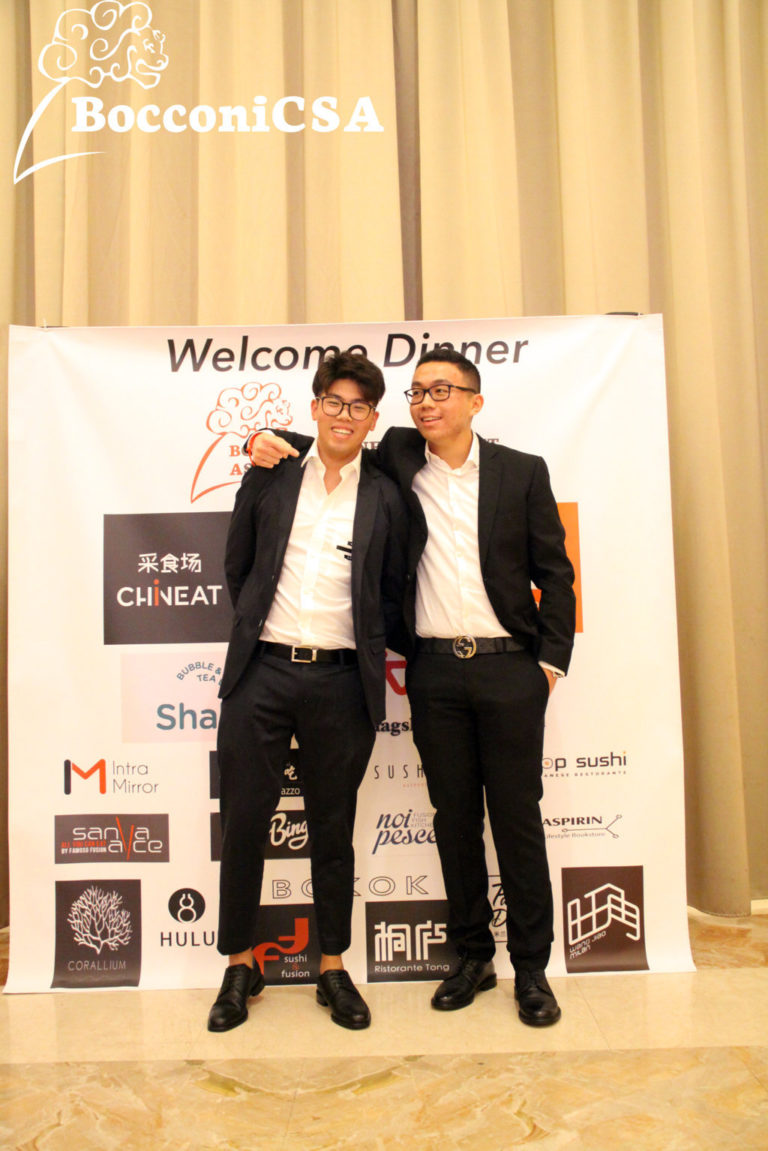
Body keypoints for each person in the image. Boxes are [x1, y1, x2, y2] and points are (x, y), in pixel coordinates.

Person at [247, 347, 576, 1028]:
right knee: (453, 819)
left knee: (516, 819)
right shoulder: (399, 457)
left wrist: (548, 663)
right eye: (417, 391)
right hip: (434, 673)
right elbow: (336, 436)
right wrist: (269, 439)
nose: (426, 402)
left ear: (475, 402)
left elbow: (556, 573)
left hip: (510, 669)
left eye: (441, 390)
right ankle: (473, 957)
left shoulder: (522, 471)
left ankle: (532, 969)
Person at [209, 351, 408, 1034]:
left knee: (332, 826)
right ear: (316, 406)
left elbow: (391, 591)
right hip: (260, 672)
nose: (344, 415)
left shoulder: (385, 494)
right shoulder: (270, 474)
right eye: (334, 402)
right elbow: (237, 563)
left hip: (342, 681)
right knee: (244, 822)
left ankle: (332, 966)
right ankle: (240, 965)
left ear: (373, 419)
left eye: (359, 406)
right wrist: (257, 631)